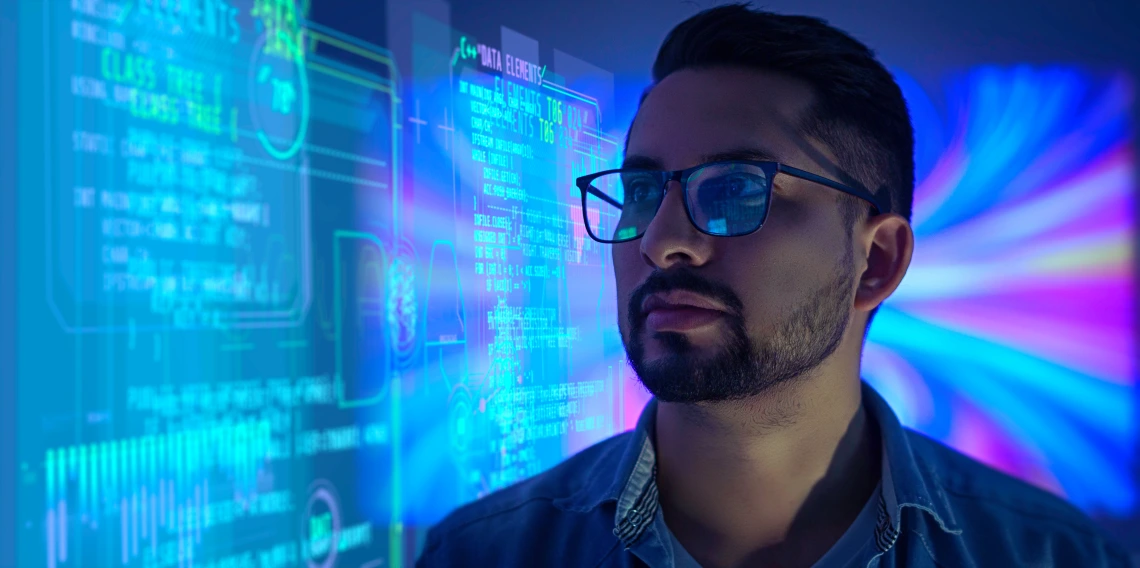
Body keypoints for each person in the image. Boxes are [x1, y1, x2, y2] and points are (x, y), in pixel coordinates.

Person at [416, 4, 1134, 567]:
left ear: (876, 262)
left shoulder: (1049, 557)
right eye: (641, 191)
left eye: (734, 190)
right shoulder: (483, 555)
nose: (663, 239)